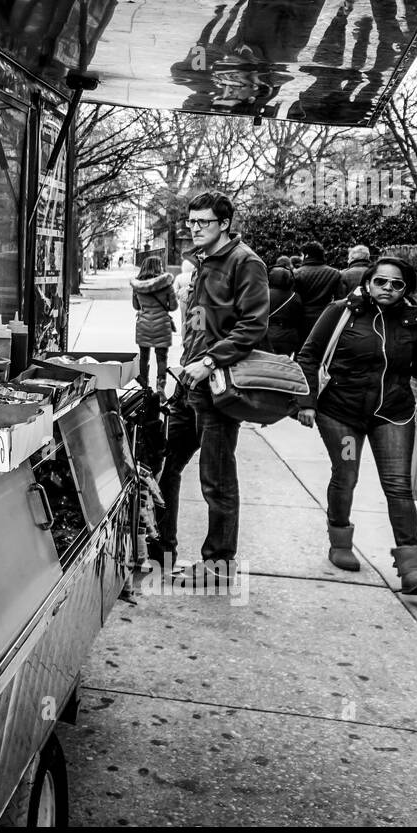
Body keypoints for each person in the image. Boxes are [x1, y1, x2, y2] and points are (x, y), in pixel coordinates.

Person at [294, 256, 417, 595]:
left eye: (397, 284)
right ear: (368, 282)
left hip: (392, 413)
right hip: (341, 413)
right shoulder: (341, 311)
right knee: (346, 474)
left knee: (398, 485)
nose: (388, 288)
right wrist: (306, 403)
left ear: (406, 289)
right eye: (381, 282)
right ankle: (340, 539)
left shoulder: (411, 318)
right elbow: (309, 355)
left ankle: (412, 566)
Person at [152, 192, 269, 578]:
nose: (195, 228)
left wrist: (210, 360)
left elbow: (253, 324)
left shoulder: (245, 262)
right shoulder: (202, 263)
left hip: (216, 384)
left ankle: (218, 566)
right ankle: (160, 547)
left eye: (203, 222)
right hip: (188, 381)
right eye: (191, 221)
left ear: (224, 224)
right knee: (165, 465)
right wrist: (189, 354)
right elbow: (201, 321)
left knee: (216, 479)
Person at [131, 255, 177, 393]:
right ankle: (160, 386)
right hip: (162, 324)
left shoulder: (137, 285)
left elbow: (136, 306)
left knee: (144, 357)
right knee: (161, 357)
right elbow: (173, 306)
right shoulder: (166, 285)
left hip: (144, 324)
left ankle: (144, 386)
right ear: (159, 267)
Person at [293, 241, 343, 337]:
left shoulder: (296, 274)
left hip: (302, 319)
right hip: (326, 318)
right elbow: (340, 298)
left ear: (306, 255)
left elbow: (294, 300)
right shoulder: (334, 273)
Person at [264, 266, 304, 356]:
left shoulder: (263, 294)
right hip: (288, 336)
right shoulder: (295, 296)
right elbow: (298, 318)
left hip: (267, 334)